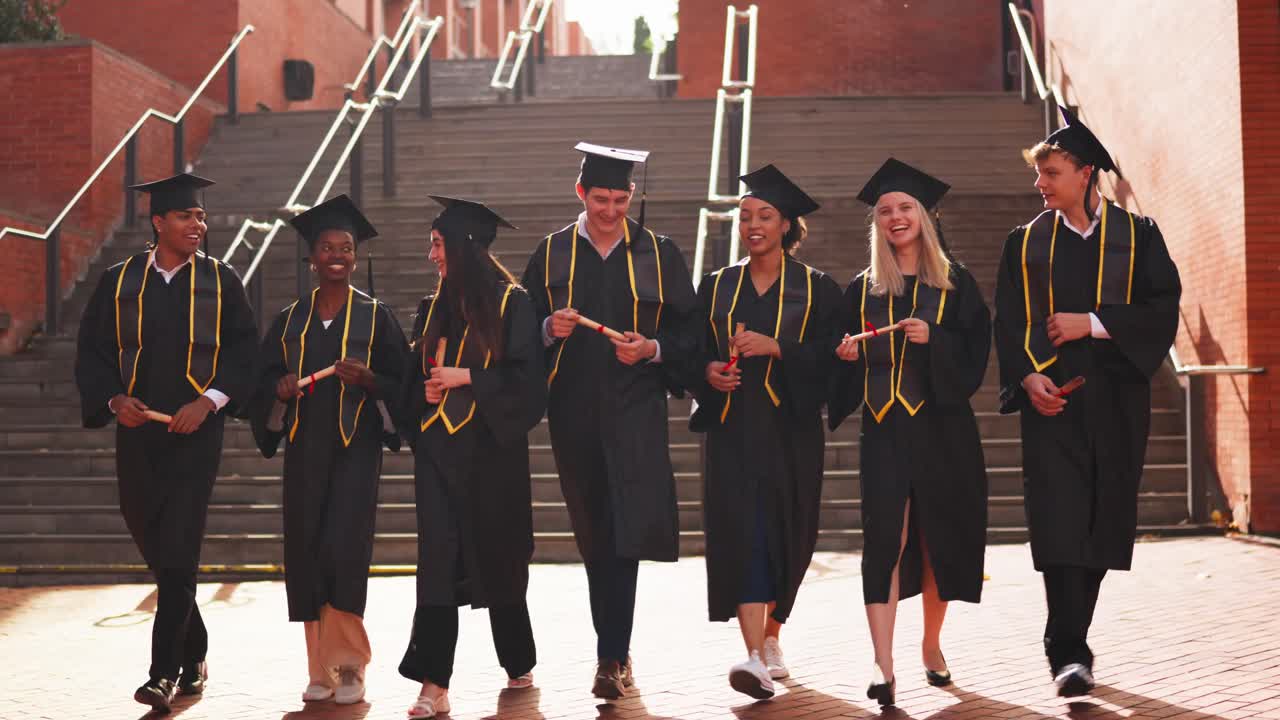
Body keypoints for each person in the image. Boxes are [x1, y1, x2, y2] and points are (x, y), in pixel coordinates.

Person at [993, 107, 1180, 697]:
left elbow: (1162, 307)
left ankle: (1072, 639)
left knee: (1101, 523)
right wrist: (1027, 378)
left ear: (1085, 174)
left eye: (1050, 171)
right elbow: (1009, 321)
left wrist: (1092, 324)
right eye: (1039, 173)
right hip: (1052, 407)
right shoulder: (1024, 243)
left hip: (1116, 404)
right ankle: (1069, 653)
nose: (1040, 183)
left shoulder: (1138, 235)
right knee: (1057, 523)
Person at [74, 173, 259, 713]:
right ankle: (197, 648)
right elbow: (93, 351)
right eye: (186, 217)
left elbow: (244, 354)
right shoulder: (120, 280)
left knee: (179, 546)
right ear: (159, 222)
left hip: (195, 438)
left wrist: (209, 402)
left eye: (200, 216)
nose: (198, 225)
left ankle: (163, 673)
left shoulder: (222, 282)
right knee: (158, 546)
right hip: (138, 436)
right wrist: (113, 400)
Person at [520, 143, 698, 699]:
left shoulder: (660, 253)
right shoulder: (550, 255)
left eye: (622, 199)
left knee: (627, 533)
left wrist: (653, 350)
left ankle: (611, 657)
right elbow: (519, 334)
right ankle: (613, 652)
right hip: (573, 414)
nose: (612, 210)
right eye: (601, 198)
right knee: (596, 535)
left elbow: (693, 335)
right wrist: (548, 328)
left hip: (635, 413)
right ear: (581, 194)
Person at [828, 159, 991, 707]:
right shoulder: (863, 289)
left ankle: (931, 644)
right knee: (884, 543)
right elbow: (843, 374)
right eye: (884, 211)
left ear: (922, 214)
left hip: (943, 429)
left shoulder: (956, 284)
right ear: (875, 223)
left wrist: (936, 339)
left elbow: (974, 362)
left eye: (904, 208)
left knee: (935, 539)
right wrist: (846, 356)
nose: (895, 217)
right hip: (883, 430)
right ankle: (883, 664)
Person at [689, 164, 842, 700]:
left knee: (790, 537)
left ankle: (774, 635)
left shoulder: (817, 288)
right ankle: (753, 655)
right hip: (732, 431)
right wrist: (709, 372)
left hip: (791, 431)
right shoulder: (715, 286)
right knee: (742, 536)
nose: (753, 225)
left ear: (786, 225)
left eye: (765, 216)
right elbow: (692, 353)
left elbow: (834, 359)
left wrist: (779, 348)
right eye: (745, 216)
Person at [248, 194, 408, 705]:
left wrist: (371, 380)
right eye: (326, 247)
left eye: (346, 247)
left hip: (356, 449)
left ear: (355, 257)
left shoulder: (375, 316)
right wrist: (279, 387)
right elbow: (263, 376)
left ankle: (351, 667)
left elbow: (403, 382)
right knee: (308, 550)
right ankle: (319, 668)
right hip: (303, 450)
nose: (337, 255)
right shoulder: (290, 320)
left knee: (345, 548)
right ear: (311, 257)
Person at [396, 196, 545, 719]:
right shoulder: (431, 309)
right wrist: (426, 395)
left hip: (491, 455)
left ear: (462, 248)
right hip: (438, 455)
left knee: (498, 556)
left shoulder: (514, 305)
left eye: (437, 244)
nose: (431, 254)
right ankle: (434, 684)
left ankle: (517, 658)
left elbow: (529, 385)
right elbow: (411, 385)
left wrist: (469, 379)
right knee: (437, 566)